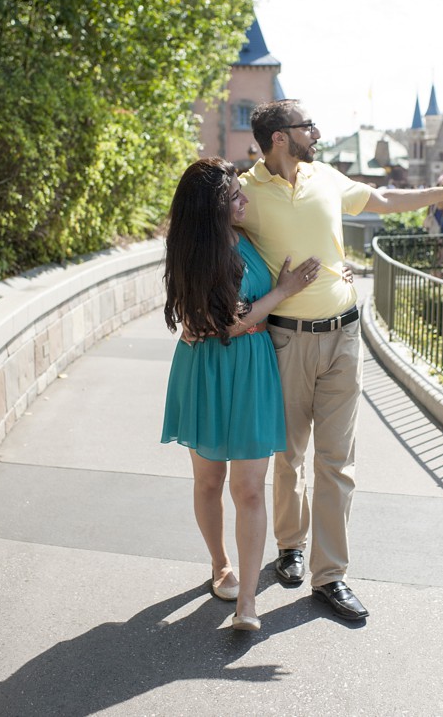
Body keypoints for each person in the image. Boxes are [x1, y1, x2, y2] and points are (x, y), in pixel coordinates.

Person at [240, 100, 443, 621]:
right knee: (288, 454)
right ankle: (290, 545)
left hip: (344, 335)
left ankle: (330, 575)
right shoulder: (245, 193)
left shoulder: (325, 176)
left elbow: (383, 197)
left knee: (337, 460)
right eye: (306, 126)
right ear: (280, 139)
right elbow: (204, 231)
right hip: (285, 341)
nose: (316, 131)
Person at [162, 158, 322, 631]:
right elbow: (225, 324)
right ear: (212, 209)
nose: (244, 201)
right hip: (209, 371)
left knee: (249, 487)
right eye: (235, 196)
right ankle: (220, 566)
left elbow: (240, 318)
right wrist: (287, 290)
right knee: (209, 482)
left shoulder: (247, 239)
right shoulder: (193, 252)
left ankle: (247, 602)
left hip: (252, 369)